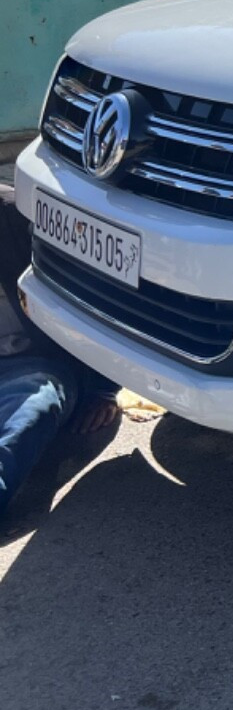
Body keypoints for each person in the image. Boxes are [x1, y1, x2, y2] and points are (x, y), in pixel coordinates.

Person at [0, 175, 119, 516]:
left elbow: (99, 289)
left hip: (32, 366)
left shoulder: (21, 216)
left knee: (30, 409)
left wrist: (103, 388)